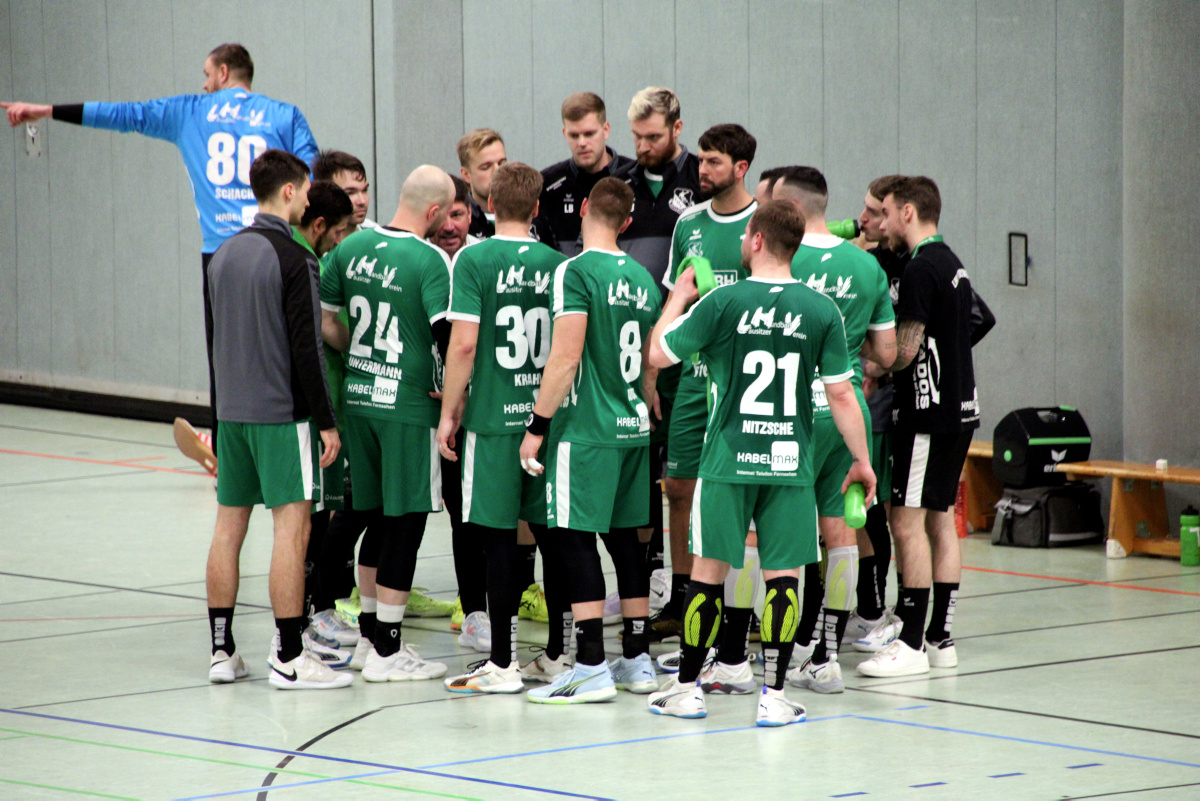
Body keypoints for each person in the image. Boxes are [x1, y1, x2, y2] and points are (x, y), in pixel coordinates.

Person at [4, 44, 320, 465]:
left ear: (224, 72)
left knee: (225, 359)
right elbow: (313, 176)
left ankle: (229, 451)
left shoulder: (189, 111)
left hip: (224, 257)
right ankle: (302, 444)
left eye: (207, 75)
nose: (204, 84)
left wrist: (45, 111)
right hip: (279, 248)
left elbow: (124, 115)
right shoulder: (285, 115)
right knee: (291, 343)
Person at [645, 201, 875, 725]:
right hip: (789, 463)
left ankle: (688, 689)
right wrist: (861, 461)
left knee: (707, 575)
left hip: (727, 460)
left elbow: (659, 354)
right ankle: (773, 697)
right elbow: (842, 396)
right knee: (784, 578)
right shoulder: (821, 310)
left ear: (754, 240)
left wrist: (678, 298)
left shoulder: (723, 300)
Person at [203, 149, 349, 690]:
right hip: (281, 418)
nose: (311, 196)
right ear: (288, 192)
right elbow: (308, 349)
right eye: (306, 188)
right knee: (292, 529)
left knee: (227, 529)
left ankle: (222, 650)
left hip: (233, 416)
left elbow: (213, 343)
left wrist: (217, 419)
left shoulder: (220, 255)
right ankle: (289, 655)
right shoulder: (295, 258)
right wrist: (326, 421)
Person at [519, 177, 662, 704]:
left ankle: (591, 666)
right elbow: (649, 365)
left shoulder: (573, 272)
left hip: (586, 432)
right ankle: (638, 659)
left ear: (582, 209)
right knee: (628, 542)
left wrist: (537, 426)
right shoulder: (644, 280)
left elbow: (565, 356)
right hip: (632, 429)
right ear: (627, 222)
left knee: (574, 539)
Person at [437, 163, 573, 692]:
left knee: (496, 540)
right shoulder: (559, 264)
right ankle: (560, 652)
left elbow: (464, 344)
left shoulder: (474, 258)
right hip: (545, 421)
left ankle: (502, 662)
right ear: (537, 208)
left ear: (487, 205)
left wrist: (450, 413)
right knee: (552, 536)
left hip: (494, 422)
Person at [319, 165, 456, 683]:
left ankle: (372, 638)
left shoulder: (348, 248)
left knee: (374, 515)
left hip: (359, 399)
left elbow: (329, 321)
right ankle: (388, 651)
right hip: (407, 410)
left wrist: (359, 356)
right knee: (405, 522)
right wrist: (453, 394)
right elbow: (447, 340)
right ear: (434, 211)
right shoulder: (430, 261)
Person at [769, 166, 896, 694]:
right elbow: (887, 354)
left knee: (776, 539)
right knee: (841, 534)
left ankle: (767, 648)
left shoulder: (780, 257)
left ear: (792, 211)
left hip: (787, 412)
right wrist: (847, 354)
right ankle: (825, 654)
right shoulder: (866, 267)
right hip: (844, 416)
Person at [857, 176, 980, 678]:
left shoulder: (920, 268)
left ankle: (908, 643)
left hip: (927, 414)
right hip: (960, 410)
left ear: (908, 212)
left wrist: (867, 358)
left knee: (905, 520)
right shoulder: (952, 262)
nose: (880, 223)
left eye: (885, 212)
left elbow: (902, 352)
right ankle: (938, 638)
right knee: (937, 519)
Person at [656, 124, 758, 668]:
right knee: (679, 487)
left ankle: (740, 613)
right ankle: (683, 597)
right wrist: (653, 376)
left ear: (741, 169)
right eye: (702, 160)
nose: (702, 170)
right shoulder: (688, 224)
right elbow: (677, 295)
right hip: (693, 379)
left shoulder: (760, 224)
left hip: (741, 386)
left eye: (714, 163)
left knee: (740, 498)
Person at [614, 86, 709, 627]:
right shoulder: (622, 184)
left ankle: (701, 590)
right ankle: (661, 585)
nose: (644, 146)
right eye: (637, 137)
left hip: (687, 352)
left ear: (677, 128)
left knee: (689, 483)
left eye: (654, 136)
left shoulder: (702, 179)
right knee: (650, 475)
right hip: (635, 351)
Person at [533, 92, 635, 256]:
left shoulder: (634, 176)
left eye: (589, 134)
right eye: (574, 135)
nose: (582, 143)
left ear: (606, 130)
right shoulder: (547, 185)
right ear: (564, 133)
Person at [456, 128, 508, 240]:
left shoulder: (529, 214)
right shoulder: (458, 223)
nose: (497, 171)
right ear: (466, 175)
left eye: (501, 163)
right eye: (486, 167)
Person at [312, 150, 374, 229]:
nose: (362, 201)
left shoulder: (375, 235)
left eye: (365, 190)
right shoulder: (300, 238)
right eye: (350, 193)